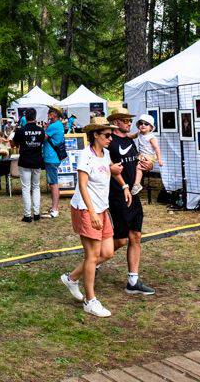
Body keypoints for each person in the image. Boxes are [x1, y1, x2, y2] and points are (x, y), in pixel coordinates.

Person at [59, 117, 127, 317]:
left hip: (102, 209)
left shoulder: (105, 154)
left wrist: (124, 185)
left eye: (111, 135)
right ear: (95, 135)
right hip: (86, 209)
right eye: (107, 135)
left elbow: (111, 169)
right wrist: (91, 212)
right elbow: (82, 185)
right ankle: (90, 301)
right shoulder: (85, 156)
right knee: (92, 255)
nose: (110, 138)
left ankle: (71, 278)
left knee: (107, 252)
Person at [106, 108, 156, 296]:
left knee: (136, 236)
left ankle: (133, 281)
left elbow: (137, 163)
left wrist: (148, 165)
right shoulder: (110, 142)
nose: (129, 123)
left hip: (133, 195)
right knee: (120, 239)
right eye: (126, 120)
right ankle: (94, 260)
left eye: (129, 120)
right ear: (117, 122)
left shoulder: (131, 141)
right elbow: (106, 166)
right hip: (118, 195)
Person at [14, 111, 46, 222]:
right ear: (35, 117)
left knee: (26, 188)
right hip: (37, 161)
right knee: (36, 187)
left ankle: (27, 215)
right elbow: (43, 142)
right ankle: (36, 214)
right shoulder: (41, 130)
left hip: (24, 161)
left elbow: (14, 143)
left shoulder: (20, 130)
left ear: (25, 117)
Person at [41, 106, 67, 219]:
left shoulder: (53, 126)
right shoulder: (59, 125)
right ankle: (54, 208)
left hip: (51, 158)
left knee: (53, 184)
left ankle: (55, 209)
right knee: (53, 183)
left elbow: (43, 138)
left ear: (55, 114)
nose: (48, 114)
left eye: (50, 112)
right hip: (55, 158)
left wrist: (44, 129)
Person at [131, 114, 162, 196]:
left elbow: (157, 149)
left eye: (146, 124)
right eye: (141, 123)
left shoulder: (151, 137)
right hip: (142, 154)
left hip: (149, 156)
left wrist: (160, 160)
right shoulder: (139, 133)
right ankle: (137, 184)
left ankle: (137, 184)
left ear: (151, 127)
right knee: (138, 167)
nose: (143, 125)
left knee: (138, 167)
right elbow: (132, 136)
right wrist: (126, 136)